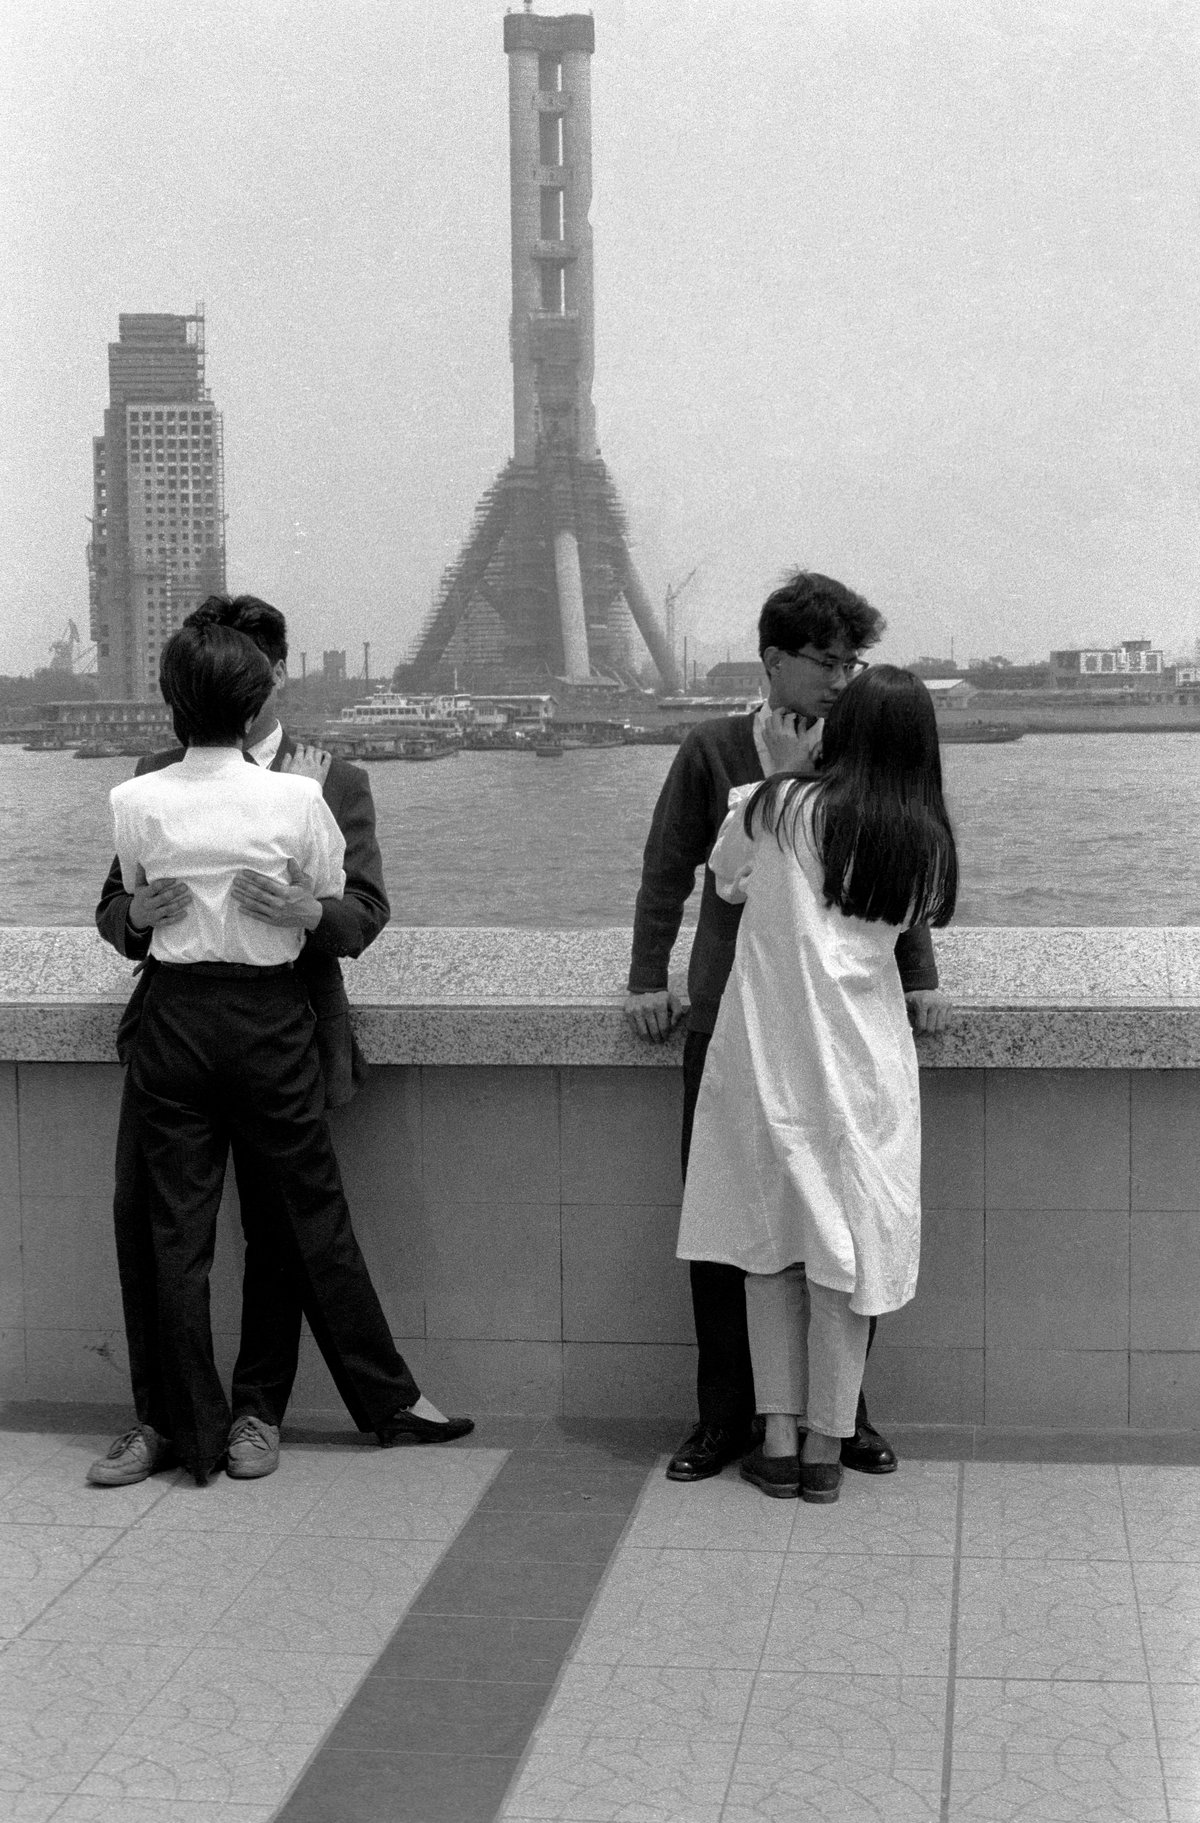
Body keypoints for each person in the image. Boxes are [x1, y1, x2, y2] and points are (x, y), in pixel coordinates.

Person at [91, 612, 471, 1486]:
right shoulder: (149, 781)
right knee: (150, 1223)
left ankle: (257, 1412)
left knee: (289, 1230)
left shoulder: (332, 780)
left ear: (276, 674)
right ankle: (167, 1417)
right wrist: (134, 922)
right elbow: (116, 904)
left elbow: (363, 911)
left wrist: (308, 910)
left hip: (281, 1025)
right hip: (178, 1023)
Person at [624, 571, 949, 1483]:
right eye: (826, 659)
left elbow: (891, 870)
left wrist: (920, 978)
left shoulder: (854, 757)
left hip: (835, 1034)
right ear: (774, 660)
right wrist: (648, 977)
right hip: (735, 1018)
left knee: (846, 1230)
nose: (843, 677)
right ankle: (722, 1416)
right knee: (733, 1226)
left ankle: (839, 1419)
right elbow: (667, 870)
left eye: (854, 659)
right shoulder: (714, 747)